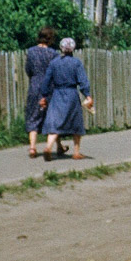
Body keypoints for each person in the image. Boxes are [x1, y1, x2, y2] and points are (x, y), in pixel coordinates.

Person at [38, 37, 93, 161]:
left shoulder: (54, 63)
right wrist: (88, 95)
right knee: (76, 123)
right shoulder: (76, 63)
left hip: (57, 94)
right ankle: (76, 152)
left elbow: (46, 81)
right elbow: (83, 81)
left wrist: (44, 96)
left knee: (55, 122)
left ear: (61, 48)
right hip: (71, 94)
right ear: (73, 49)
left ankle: (48, 146)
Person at [23, 26, 60, 158]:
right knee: (52, 116)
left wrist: (34, 78)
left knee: (33, 115)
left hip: (35, 84)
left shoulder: (31, 51)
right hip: (49, 86)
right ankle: (56, 146)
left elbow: (28, 69)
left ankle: (32, 147)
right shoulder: (54, 54)